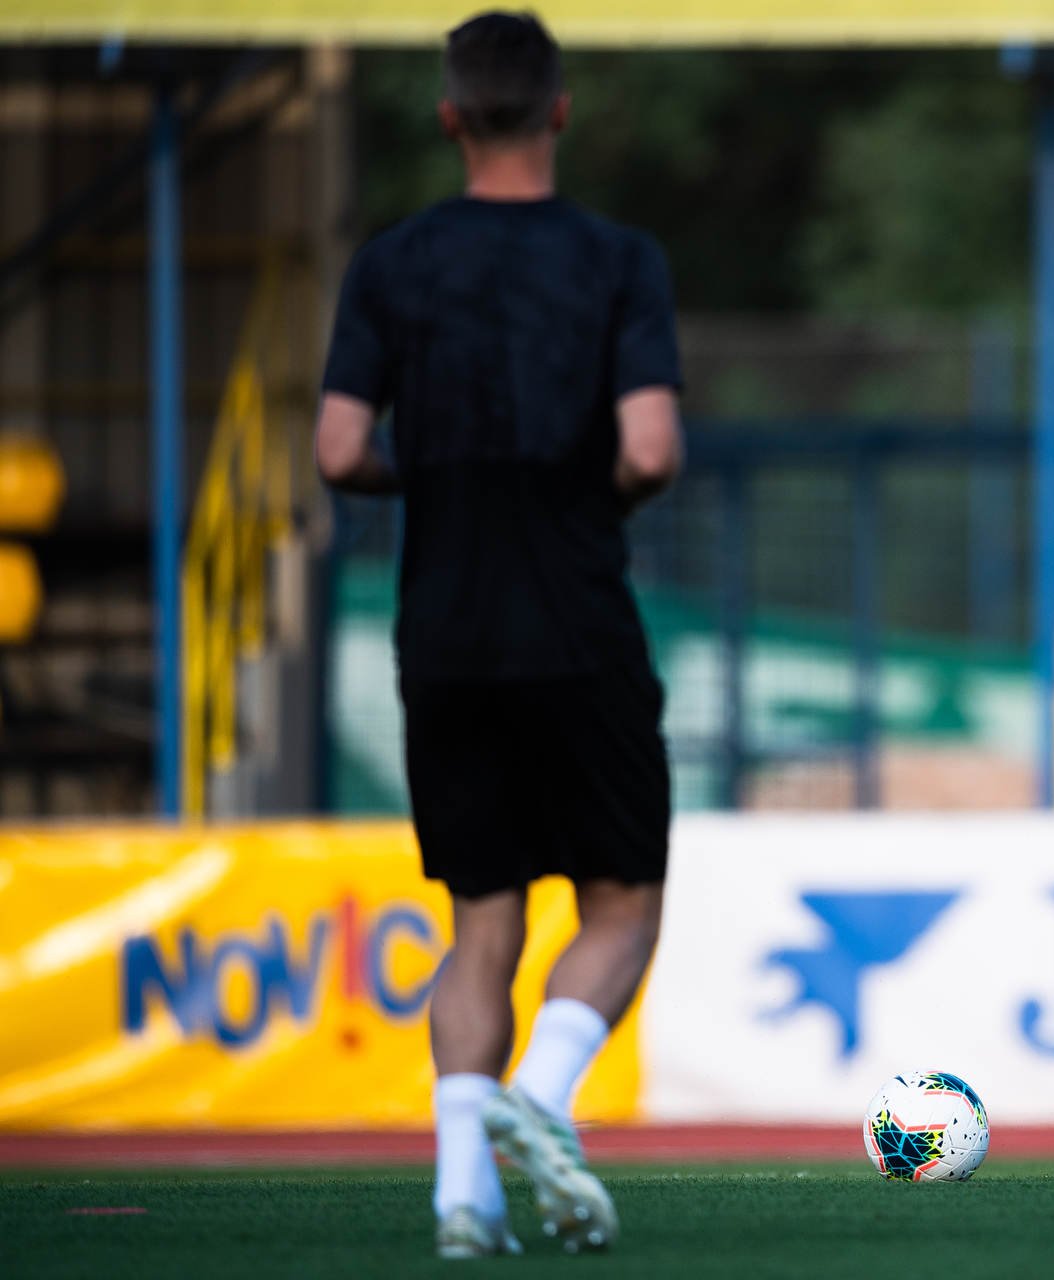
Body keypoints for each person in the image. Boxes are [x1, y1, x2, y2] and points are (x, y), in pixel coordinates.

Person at [314, 10, 683, 1256]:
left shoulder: (391, 264)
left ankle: (462, 1194)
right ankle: (545, 1091)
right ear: (560, 112)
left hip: (445, 630)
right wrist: (585, 489)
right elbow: (648, 447)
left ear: (451, 116)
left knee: (483, 915)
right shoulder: (617, 259)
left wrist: (436, 476)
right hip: (577, 617)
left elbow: (337, 448)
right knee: (622, 900)